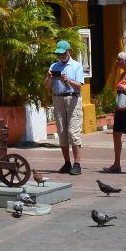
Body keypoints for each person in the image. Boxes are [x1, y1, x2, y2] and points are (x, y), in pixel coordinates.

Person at [46, 39, 84, 174]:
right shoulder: (53, 66)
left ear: (69, 51)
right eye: (59, 54)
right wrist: (49, 77)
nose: (61, 56)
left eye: (63, 53)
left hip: (72, 99)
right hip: (58, 99)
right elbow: (47, 86)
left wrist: (69, 81)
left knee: (73, 133)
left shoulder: (76, 66)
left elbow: (80, 85)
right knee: (62, 132)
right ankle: (67, 163)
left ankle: (77, 164)